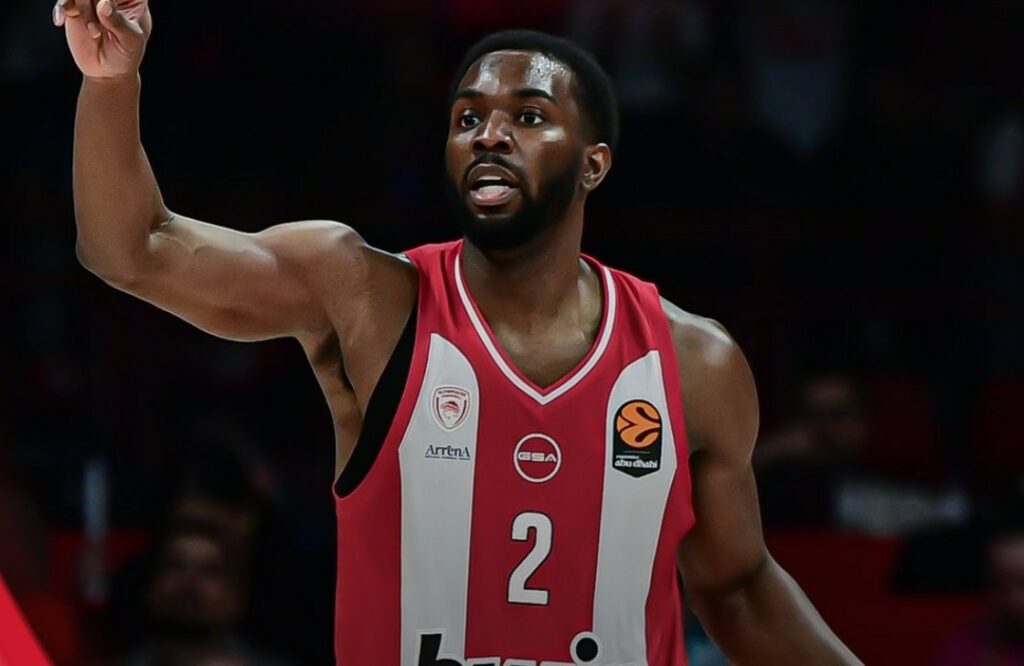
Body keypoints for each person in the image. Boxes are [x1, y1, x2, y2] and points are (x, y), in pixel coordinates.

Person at [52, 1, 861, 663]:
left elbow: (738, 589)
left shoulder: (692, 362)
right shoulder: (366, 298)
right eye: (468, 116)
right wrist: (111, 82)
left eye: (529, 115)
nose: (489, 134)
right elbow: (132, 251)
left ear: (594, 163)